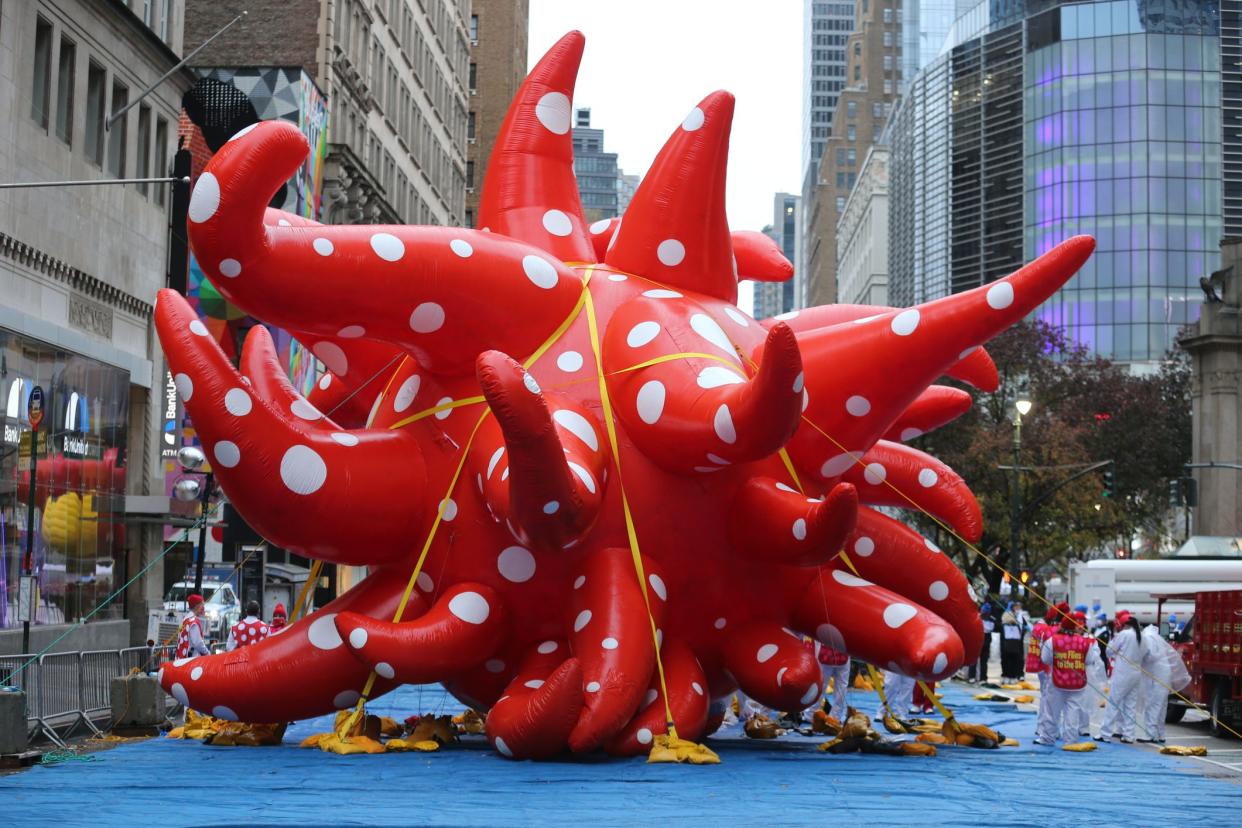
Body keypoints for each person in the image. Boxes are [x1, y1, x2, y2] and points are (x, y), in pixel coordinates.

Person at [1036, 610, 1102, 745]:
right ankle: (1071, 740)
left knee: (1051, 711)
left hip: (1056, 681)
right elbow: (1089, 661)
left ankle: (1047, 738)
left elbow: (1045, 659)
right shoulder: (1084, 642)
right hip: (1077, 683)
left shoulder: (1052, 640)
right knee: (1073, 712)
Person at [1098, 609, 1145, 743]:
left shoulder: (1124, 634)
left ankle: (1105, 733)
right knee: (1130, 706)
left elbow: (1109, 651)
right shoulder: (1142, 636)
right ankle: (1128, 735)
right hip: (1136, 674)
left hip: (1123, 673)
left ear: (1123, 624)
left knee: (1113, 703)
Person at [1028, 603, 1064, 740]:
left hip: (1040, 665)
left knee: (1044, 697)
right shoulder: (1047, 629)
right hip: (1046, 666)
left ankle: (1041, 726)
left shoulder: (1038, 627)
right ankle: (1046, 728)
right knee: (1049, 699)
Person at [1138, 623, 1173, 743]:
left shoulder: (1147, 638)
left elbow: (1151, 657)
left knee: (1153, 704)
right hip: (1163, 674)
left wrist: (1140, 659)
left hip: (1157, 676)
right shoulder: (1155, 638)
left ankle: (1150, 734)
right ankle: (1160, 734)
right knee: (1161, 705)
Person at [812, 640, 851, 722]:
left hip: (829, 653)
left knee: (821, 685)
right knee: (838, 687)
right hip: (834, 652)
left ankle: (812, 714)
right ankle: (835, 717)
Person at [174, 593, 211, 659]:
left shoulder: (186, 619)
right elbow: (198, 643)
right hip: (191, 659)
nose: (203, 608)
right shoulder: (193, 622)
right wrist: (207, 653)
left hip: (182, 657)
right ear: (197, 606)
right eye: (202, 605)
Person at [970, 602, 995, 682]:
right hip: (977, 642)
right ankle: (972, 677)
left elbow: (989, 629)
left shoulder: (991, 619)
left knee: (984, 661)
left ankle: (983, 678)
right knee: (974, 660)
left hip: (986, 642)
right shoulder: (976, 618)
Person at [999, 607, 1025, 681]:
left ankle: (1011, 676)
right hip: (1009, 647)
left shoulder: (1015, 626)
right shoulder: (1004, 627)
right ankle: (1008, 676)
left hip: (1012, 647)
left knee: (1012, 661)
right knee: (1008, 661)